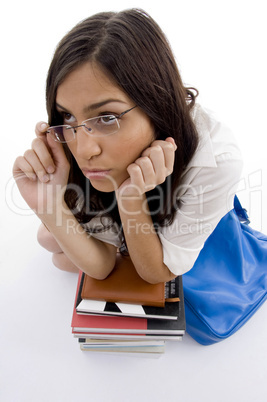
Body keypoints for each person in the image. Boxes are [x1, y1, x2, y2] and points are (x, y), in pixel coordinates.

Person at [12, 9, 243, 284]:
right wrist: (49, 204)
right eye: (68, 115)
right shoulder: (70, 140)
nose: (85, 151)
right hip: (130, 213)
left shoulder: (216, 159)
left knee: (59, 247)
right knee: (49, 240)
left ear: (156, 104)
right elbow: (101, 267)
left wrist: (130, 197)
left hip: (181, 214)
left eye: (107, 118)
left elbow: (157, 274)